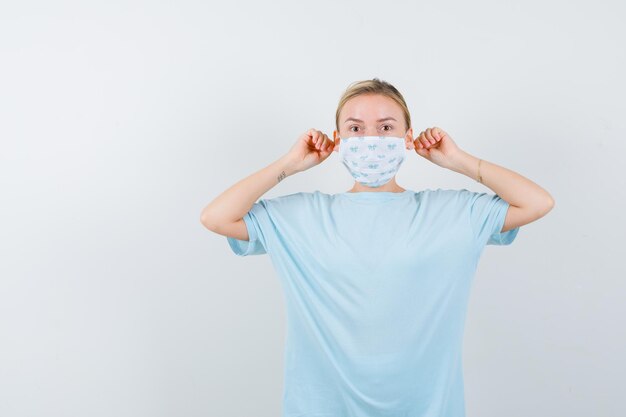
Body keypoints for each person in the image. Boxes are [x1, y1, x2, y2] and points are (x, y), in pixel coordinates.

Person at [200, 78, 555, 417]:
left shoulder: (452, 212)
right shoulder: (301, 216)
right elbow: (216, 217)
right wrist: (288, 165)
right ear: (338, 140)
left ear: (408, 138)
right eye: (356, 128)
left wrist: (458, 160)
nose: (371, 138)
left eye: (386, 127)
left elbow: (537, 203)